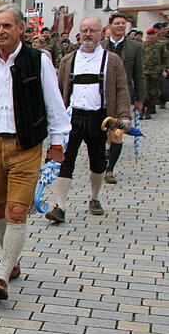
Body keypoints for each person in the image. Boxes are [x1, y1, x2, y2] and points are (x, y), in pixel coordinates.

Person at [0, 3, 70, 301]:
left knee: (17, 210)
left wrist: (57, 145)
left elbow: (55, 105)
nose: (0, 31)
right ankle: (12, 260)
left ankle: (3, 275)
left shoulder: (38, 60)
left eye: (7, 25)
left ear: (21, 28)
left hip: (26, 146)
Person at [46, 17, 132, 223]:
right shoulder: (68, 60)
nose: (88, 34)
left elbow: (121, 89)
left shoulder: (112, 60)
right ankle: (60, 206)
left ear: (101, 33)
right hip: (72, 117)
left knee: (98, 161)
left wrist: (124, 117)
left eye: (92, 30)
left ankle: (94, 197)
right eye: (84, 30)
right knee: (65, 161)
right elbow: (58, 92)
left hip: (100, 118)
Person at [101, 12, 144, 185]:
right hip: (102, 95)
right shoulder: (101, 46)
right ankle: (103, 157)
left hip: (122, 95)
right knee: (104, 132)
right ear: (110, 26)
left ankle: (110, 170)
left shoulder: (134, 47)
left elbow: (138, 73)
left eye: (123, 23)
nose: (121, 26)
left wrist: (140, 98)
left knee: (118, 132)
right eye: (117, 23)